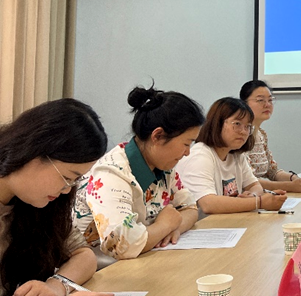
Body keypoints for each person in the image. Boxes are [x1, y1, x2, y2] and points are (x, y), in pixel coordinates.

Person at [74, 85, 204, 260]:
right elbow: (122, 246)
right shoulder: (111, 174)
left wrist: (174, 229)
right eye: (186, 144)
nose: (187, 152)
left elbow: (190, 208)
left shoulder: (164, 169)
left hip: (144, 261)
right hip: (103, 270)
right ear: (157, 136)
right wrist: (165, 226)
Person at [0, 99, 112, 296]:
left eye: (75, 181)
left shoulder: (36, 205)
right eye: (67, 177)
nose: (67, 190)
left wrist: (57, 285)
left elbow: (83, 255)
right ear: (32, 152)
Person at [176, 97, 287, 214]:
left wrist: (252, 196)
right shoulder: (199, 156)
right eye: (237, 124)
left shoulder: (236, 155)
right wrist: (258, 202)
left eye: (247, 126)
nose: (243, 131)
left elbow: (254, 185)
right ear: (217, 123)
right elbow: (208, 204)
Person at [239, 80, 301, 192]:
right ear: (244, 103)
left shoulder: (261, 135)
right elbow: (248, 180)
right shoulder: (241, 136)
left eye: (270, 100)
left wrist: (295, 179)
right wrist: (289, 186)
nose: (267, 105)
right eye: (260, 100)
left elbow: (273, 172)